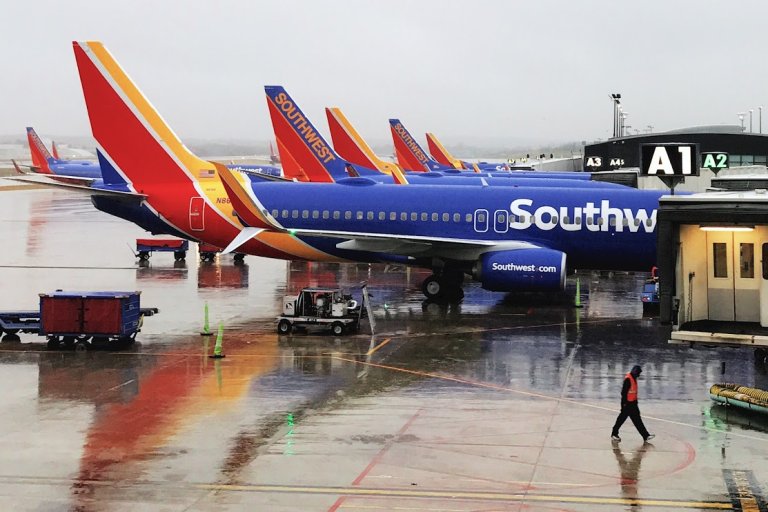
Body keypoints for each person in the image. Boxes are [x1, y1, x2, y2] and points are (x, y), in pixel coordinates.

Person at [611, 365, 654, 442]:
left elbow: (633, 392)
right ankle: (614, 433)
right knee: (621, 419)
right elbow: (623, 393)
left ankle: (645, 436)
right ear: (635, 372)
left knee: (637, 420)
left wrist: (636, 402)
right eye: (638, 373)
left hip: (633, 403)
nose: (639, 375)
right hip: (627, 404)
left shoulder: (633, 378)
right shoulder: (628, 379)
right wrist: (624, 404)